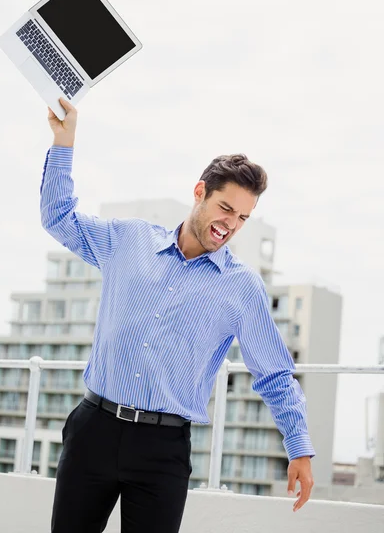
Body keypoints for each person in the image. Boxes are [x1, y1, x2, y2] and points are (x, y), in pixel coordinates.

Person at [42, 97, 315, 533]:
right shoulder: (127, 241)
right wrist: (64, 143)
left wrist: (298, 447)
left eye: (243, 217)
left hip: (163, 449)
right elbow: (58, 218)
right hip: (93, 429)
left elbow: (275, 374)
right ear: (199, 192)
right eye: (226, 208)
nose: (231, 224)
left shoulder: (242, 287)